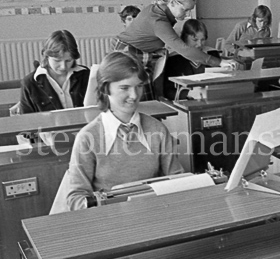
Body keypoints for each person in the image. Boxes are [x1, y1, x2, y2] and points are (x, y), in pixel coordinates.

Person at [53, 52, 183, 213]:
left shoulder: (157, 129)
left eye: (139, 86)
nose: (134, 95)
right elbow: (75, 198)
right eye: (124, 88)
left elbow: (177, 180)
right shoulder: (88, 137)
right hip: (107, 222)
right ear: (105, 88)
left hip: (152, 215)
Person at [114, 0, 235, 100]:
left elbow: (146, 36)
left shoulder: (157, 9)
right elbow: (184, 49)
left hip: (139, 50)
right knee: (139, 96)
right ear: (173, 2)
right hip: (128, 52)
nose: (187, 14)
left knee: (147, 91)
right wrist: (219, 62)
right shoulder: (158, 20)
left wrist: (157, 49)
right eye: (185, 10)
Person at [18, 30, 90, 114]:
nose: (63, 66)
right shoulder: (30, 83)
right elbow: (27, 120)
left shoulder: (85, 75)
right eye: (57, 60)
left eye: (68, 61)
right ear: (46, 56)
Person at [163, 19, 215, 100]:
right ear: (184, 38)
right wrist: (189, 93)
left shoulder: (212, 54)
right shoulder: (174, 60)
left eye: (203, 40)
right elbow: (168, 91)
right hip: (186, 103)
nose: (199, 44)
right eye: (195, 40)